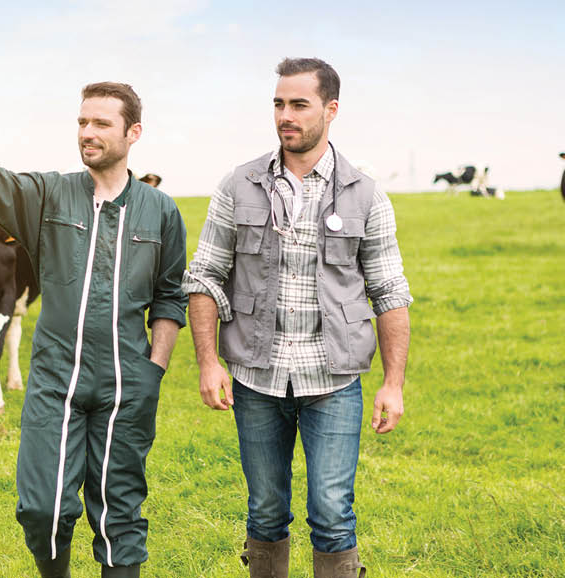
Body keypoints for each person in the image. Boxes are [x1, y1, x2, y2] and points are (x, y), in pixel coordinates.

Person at [0, 82, 188, 578]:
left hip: (128, 381)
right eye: (82, 122)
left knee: (118, 514)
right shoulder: (49, 195)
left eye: (102, 123)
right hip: (56, 376)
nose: (88, 132)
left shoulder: (160, 211)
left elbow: (170, 295)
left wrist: (154, 369)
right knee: (43, 508)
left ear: (134, 132)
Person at [184, 58, 412, 578]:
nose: (285, 116)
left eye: (299, 105)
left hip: (333, 382)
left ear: (330, 110)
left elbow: (389, 292)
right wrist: (207, 363)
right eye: (279, 104)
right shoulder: (238, 184)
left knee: (332, 516)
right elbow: (204, 278)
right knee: (265, 514)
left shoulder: (366, 194)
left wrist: (392, 384)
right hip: (255, 379)